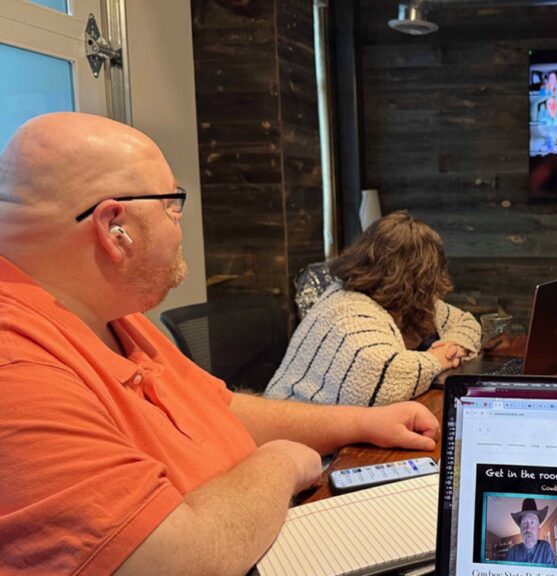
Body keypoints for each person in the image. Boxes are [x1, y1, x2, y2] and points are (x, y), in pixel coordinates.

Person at [0, 112, 440, 574]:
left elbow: (219, 409)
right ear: (116, 228)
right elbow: (171, 561)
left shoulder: (110, 314)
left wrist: (364, 422)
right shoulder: (17, 367)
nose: (179, 223)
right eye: (173, 205)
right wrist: (280, 463)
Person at [265, 211, 480, 406]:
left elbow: (465, 322)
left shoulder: (403, 304)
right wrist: (437, 359)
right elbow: (383, 379)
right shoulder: (347, 307)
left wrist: (452, 346)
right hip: (292, 434)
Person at [504, 499, 557, 565]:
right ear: (521, 530)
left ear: (538, 529)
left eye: (532, 522)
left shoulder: (546, 548)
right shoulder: (511, 552)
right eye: (524, 523)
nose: (528, 529)